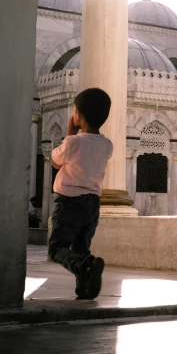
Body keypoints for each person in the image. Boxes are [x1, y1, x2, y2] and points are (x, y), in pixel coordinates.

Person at [48, 87, 113, 300]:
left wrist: (69, 131)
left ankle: (83, 265)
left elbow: (56, 162)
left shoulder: (72, 142)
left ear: (78, 114)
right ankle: (84, 289)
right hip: (93, 204)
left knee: (57, 249)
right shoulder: (107, 145)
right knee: (81, 246)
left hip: (69, 203)